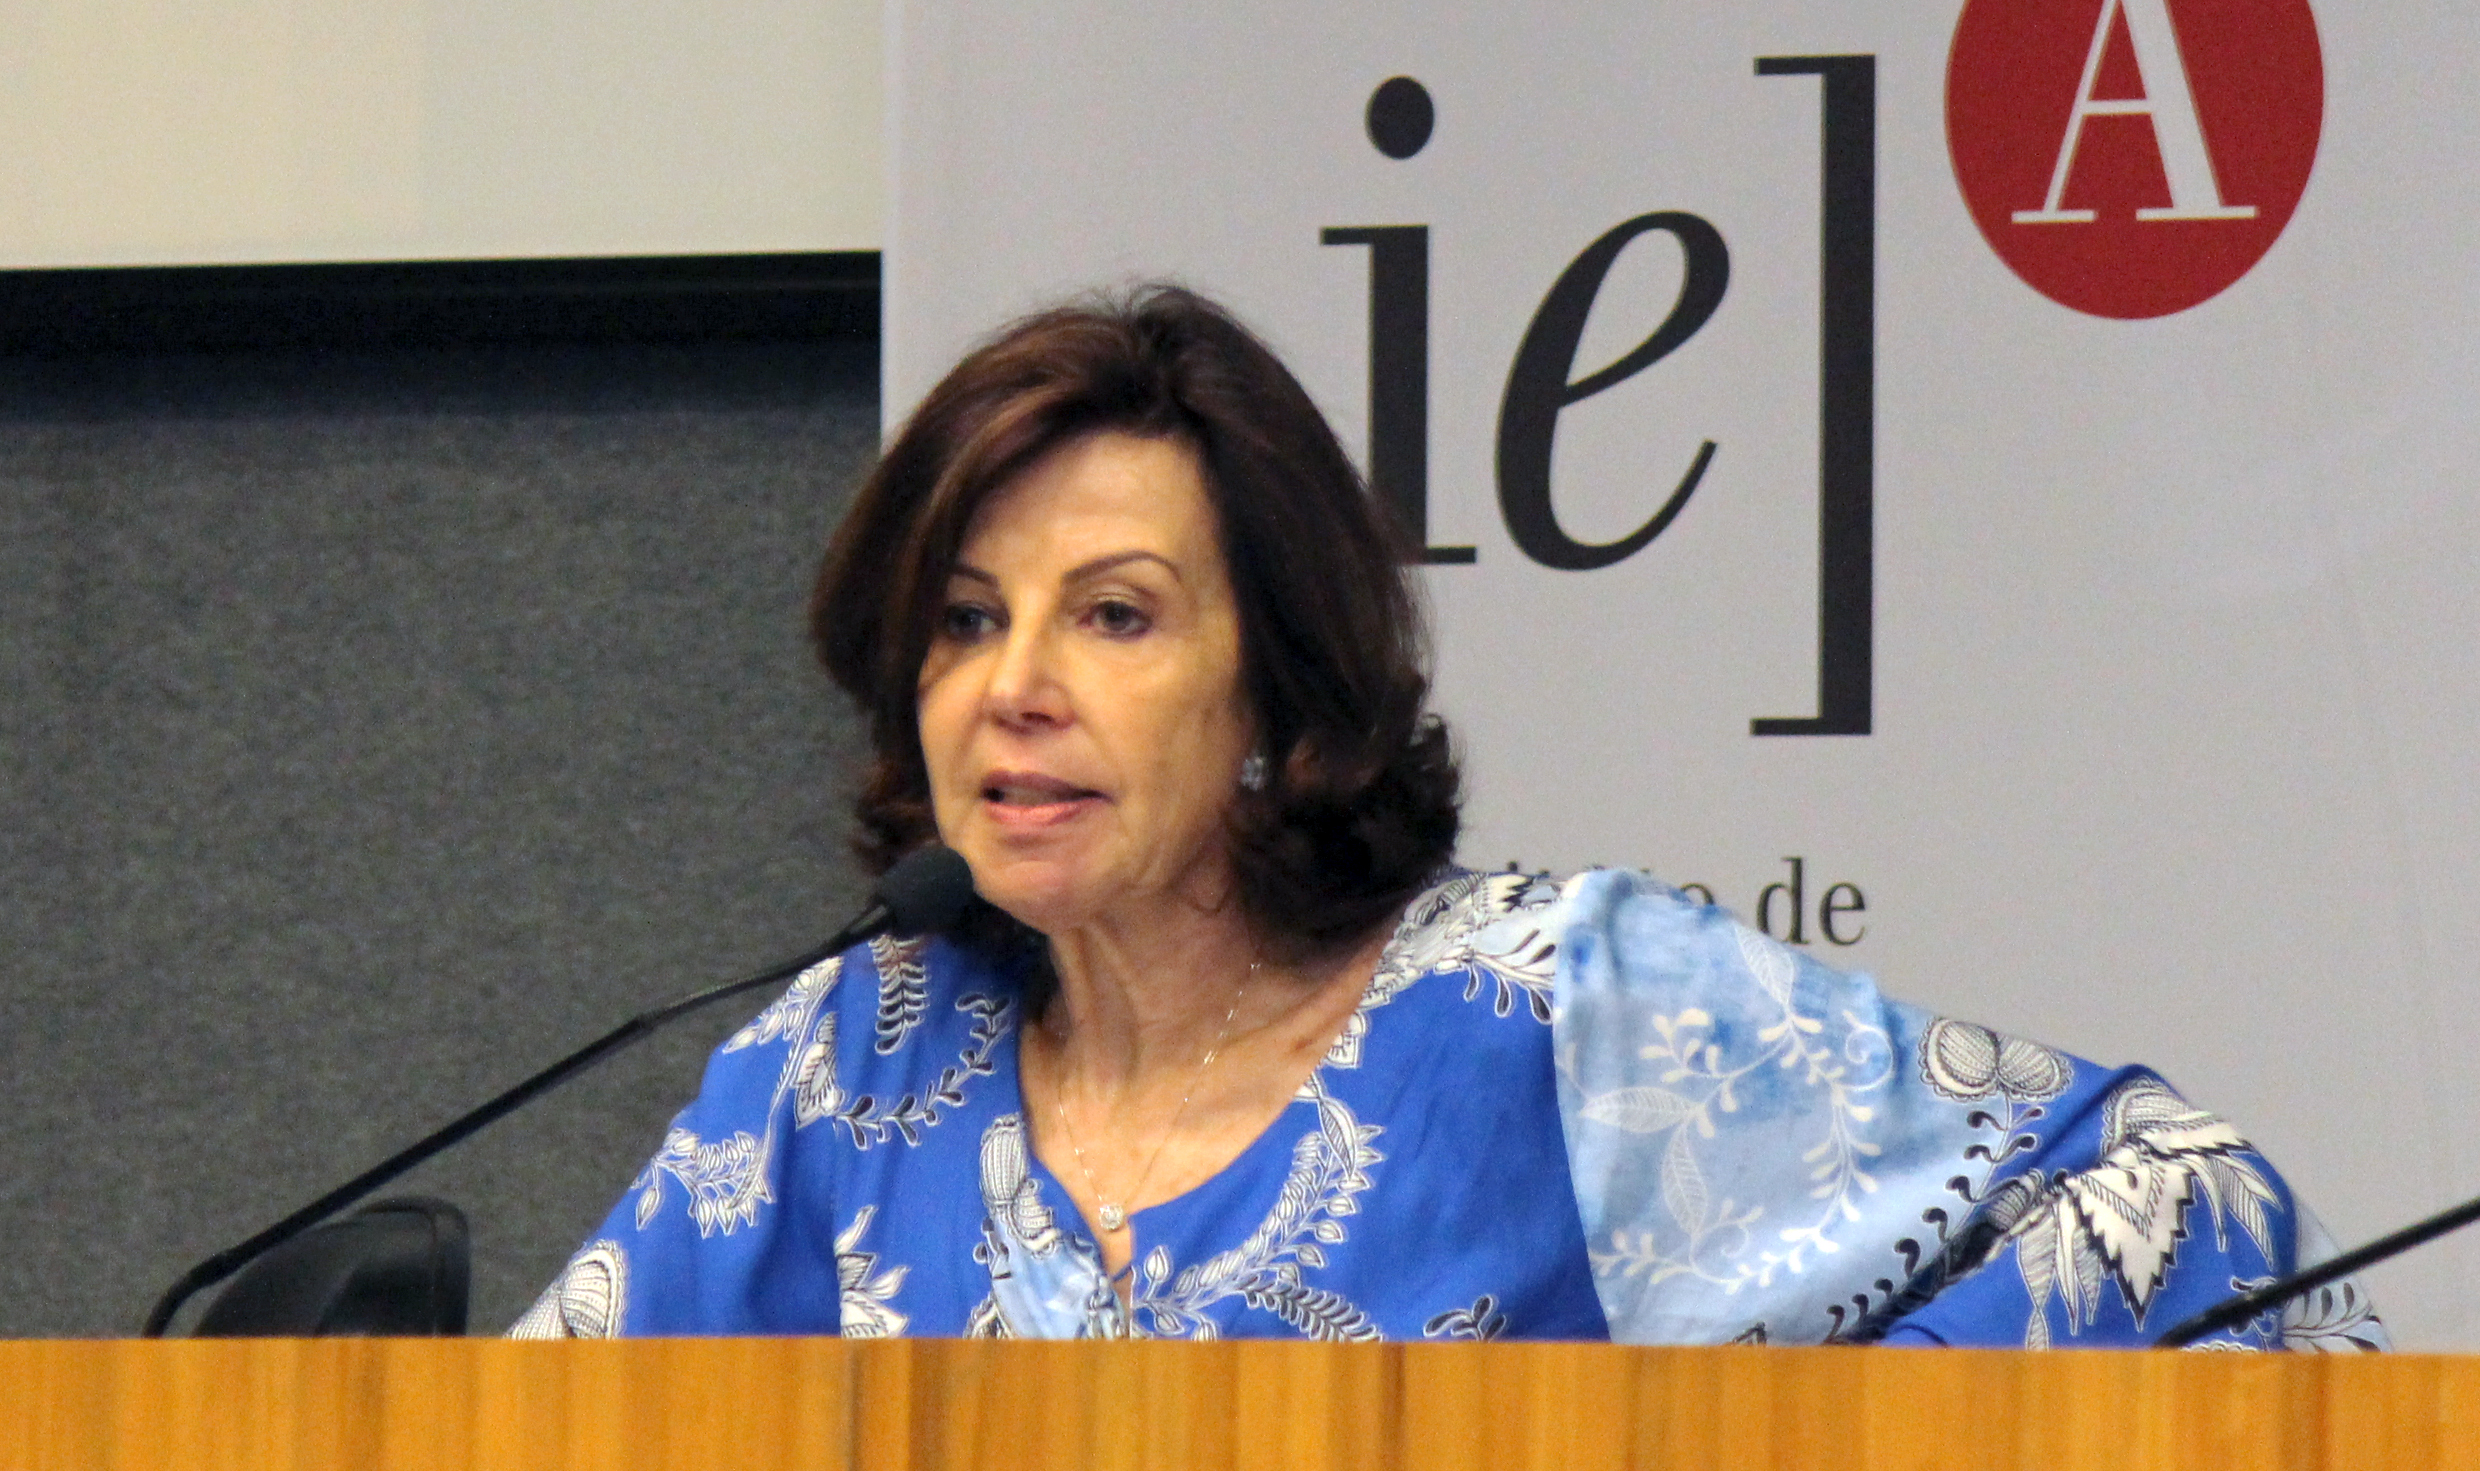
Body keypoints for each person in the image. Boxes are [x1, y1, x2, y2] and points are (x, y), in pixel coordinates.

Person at [516, 286, 2381, 1348]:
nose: (1014, 684)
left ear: (1277, 687)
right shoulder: (846, 1070)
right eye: (962, 618)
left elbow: (2183, 1204)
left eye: (1115, 616)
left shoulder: (1548, 1006)